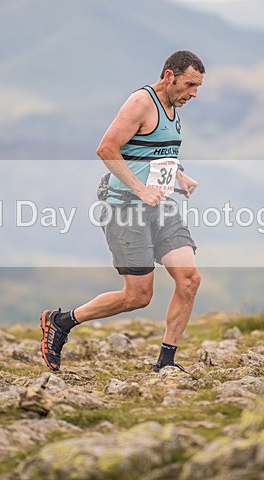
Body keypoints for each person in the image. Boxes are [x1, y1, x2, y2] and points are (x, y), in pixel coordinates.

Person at [40, 50, 205, 373]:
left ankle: (166, 363)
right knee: (138, 296)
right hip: (125, 210)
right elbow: (106, 149)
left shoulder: (174, 106)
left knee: (189, 279)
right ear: (169, 76)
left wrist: (179, 176)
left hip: (161, 208)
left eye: (198, 87)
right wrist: (140, 189)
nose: (194, 93)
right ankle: (61, 322)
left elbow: (155, 153)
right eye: (190, 85)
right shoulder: (141, 103)